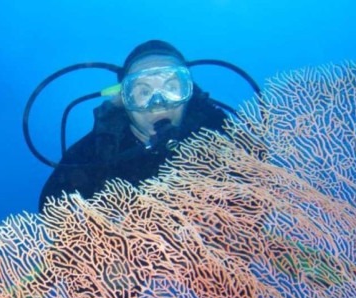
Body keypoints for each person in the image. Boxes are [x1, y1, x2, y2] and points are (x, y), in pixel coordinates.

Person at [38, 40, 228, 211]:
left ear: (189, 91)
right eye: (143, 92)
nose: (158, 103)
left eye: (171, 88)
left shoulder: (221, 135)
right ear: (124, 99)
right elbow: (52, 210)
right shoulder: (95, 153)